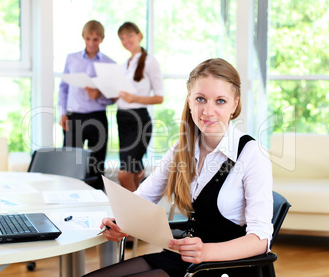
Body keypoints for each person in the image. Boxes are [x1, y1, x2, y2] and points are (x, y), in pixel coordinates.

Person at [84, 58, 273, 277]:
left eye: (220, 101)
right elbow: (144, 197)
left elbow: (261, 239)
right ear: (190, 102)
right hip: (183, 257)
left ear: (235, 104)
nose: (208, 111)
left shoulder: (252, 154)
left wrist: (207, 251)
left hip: (222, 267)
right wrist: (121, 222)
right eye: (200, 99)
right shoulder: (183, 147)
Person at [58, 20, 115, 189]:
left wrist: (99, 95)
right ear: (83, 37)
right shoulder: (72, 59)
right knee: (70, 163)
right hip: (73, 117)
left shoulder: (109, 63)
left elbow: (112, 97)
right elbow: (63, 88)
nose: (91, 43)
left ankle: (96, 203)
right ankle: (67, 200)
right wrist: (62, 113)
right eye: (88, 38)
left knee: (96, 165)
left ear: (102, 39)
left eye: (95, 39)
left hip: (97, 117)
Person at [116, 22, 164, 193]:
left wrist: (134, 98)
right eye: (122, 38)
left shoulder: (150, 62)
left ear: (139, 36)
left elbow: (159, 97)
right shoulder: (124, 64)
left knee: (124, 175)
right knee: (136, 173)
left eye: (129, 35)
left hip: (138, 121)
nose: (126, 40)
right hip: (122, 120)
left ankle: (133, 214)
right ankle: (142, 215)